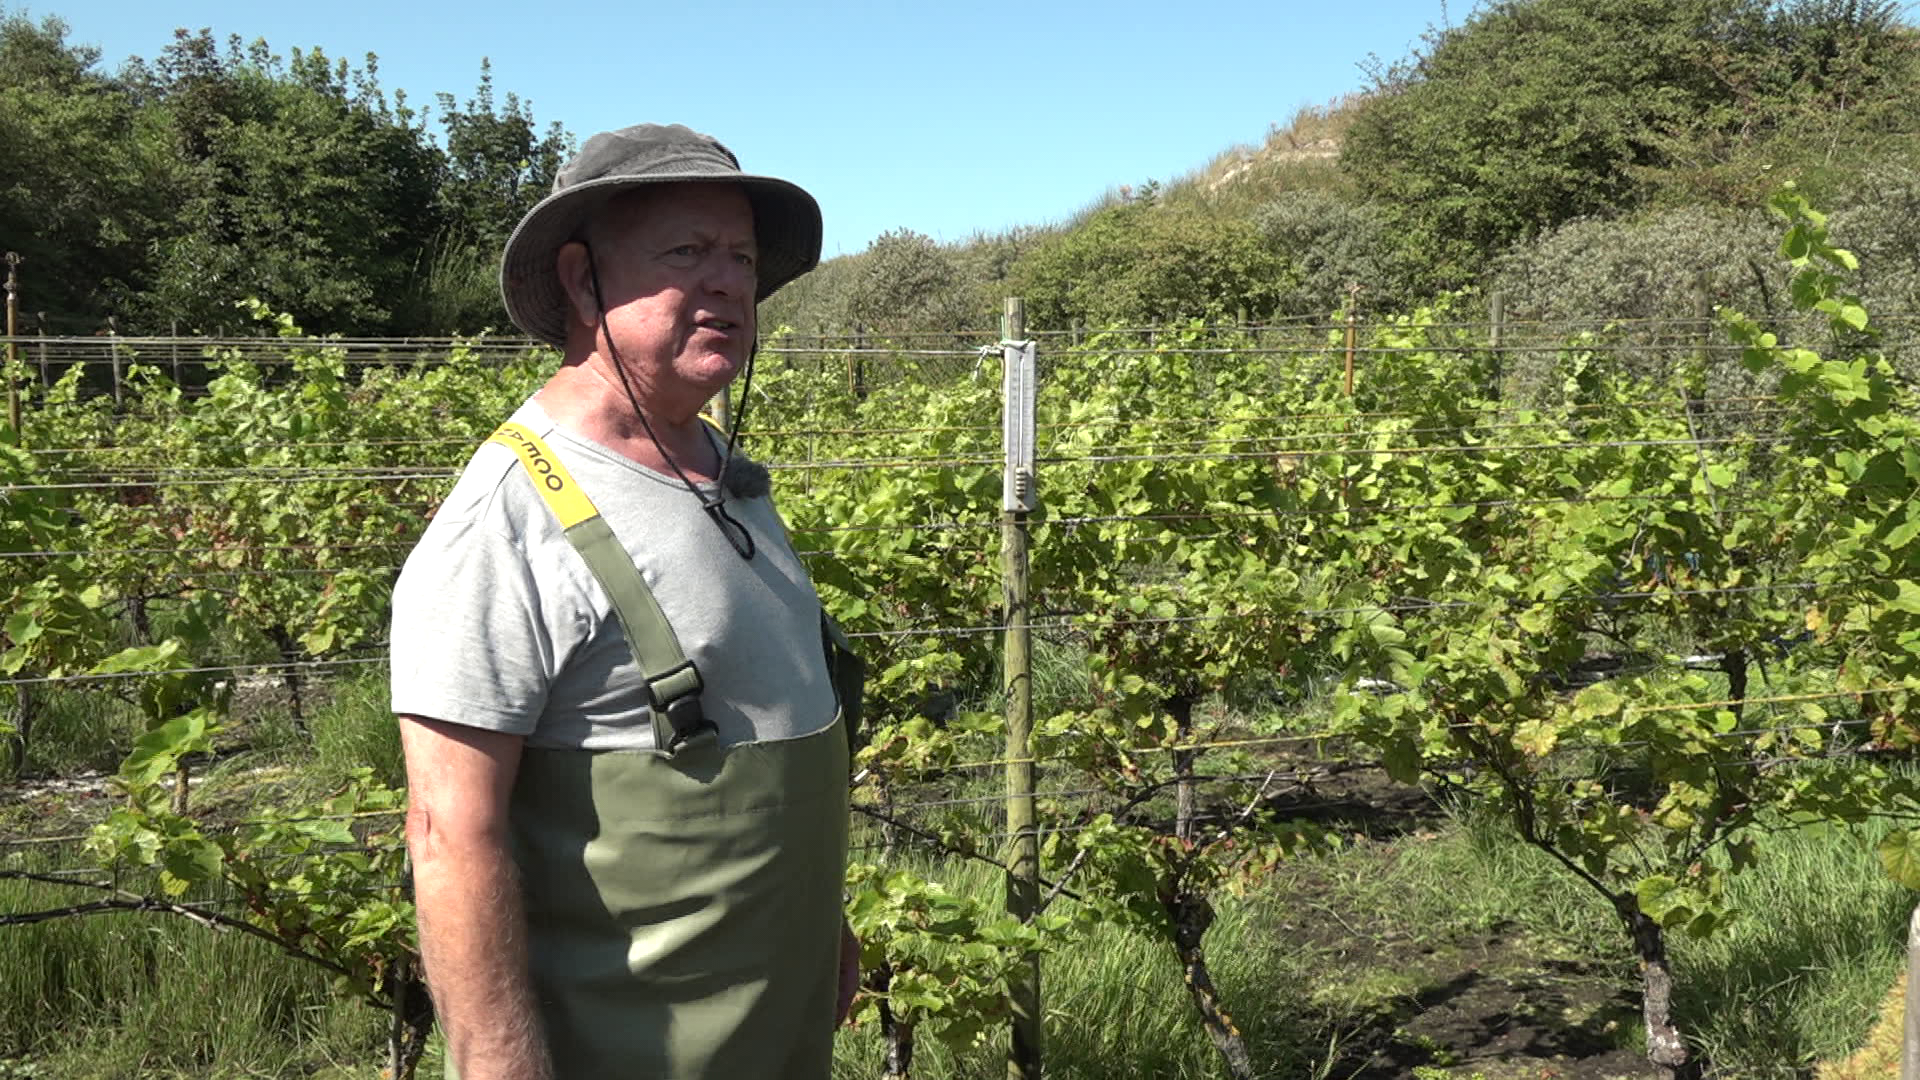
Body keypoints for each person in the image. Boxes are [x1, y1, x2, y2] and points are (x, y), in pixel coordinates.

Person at [391, 123, 858, 1080]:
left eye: (740, 256)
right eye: (686, 251)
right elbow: (449, 831)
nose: (728, 281)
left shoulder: (722, 475)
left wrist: (820, 928)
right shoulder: (508, 521)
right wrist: (502, 1069)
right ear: (581, 279)